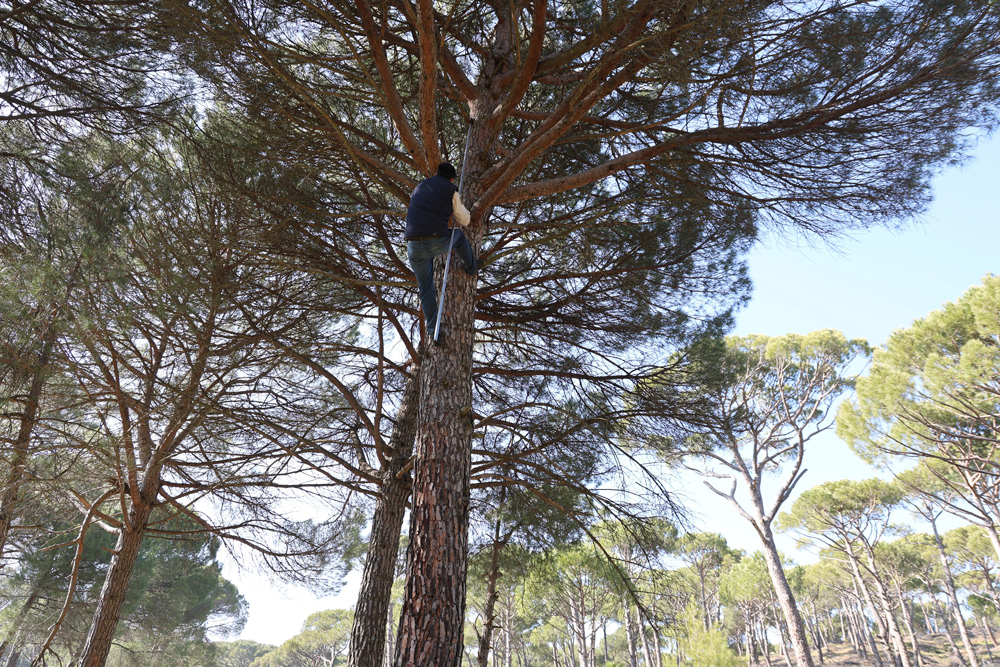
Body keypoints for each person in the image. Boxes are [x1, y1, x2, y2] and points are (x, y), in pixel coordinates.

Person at [404, 162, 478, 336]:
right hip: (435, 240)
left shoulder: (419, 186)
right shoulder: (451, 190)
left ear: (436, 173)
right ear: (451, 178)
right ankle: (472, 267)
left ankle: (432, 328)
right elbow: (464, 219)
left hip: (413, 245)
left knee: (426, 288)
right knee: (458, 236)